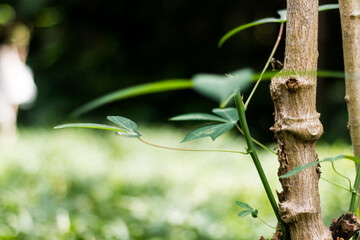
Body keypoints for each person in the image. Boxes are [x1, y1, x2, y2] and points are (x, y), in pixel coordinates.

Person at [0, 23, 37, 142]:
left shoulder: (19, 50)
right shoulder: (5, 50)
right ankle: (8, 133)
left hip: (14, 83)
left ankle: (10, 133)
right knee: (7, 111)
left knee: (11, 110)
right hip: (7, 83)